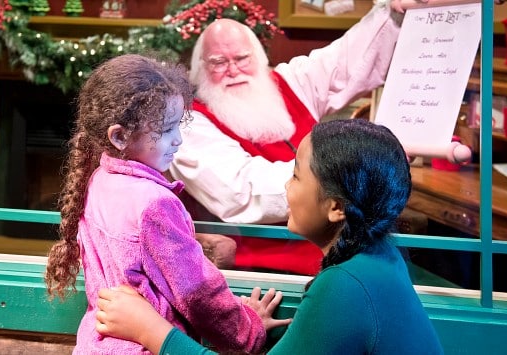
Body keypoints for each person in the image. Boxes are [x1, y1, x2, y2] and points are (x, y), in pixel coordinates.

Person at [95, 119, 444, 354]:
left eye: (296, 176)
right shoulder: (379, 257)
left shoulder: (346, 285)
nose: (286, 186)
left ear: (336, 207)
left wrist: (150, 331)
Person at [44, 54, 290, 354]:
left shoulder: (97, 180)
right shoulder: (156, 204)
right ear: (120, 137)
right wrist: (248, 329)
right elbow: (197, 291)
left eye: (179, 127)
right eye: (166, 130)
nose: (178, 141)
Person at [170, 0, 423, 276]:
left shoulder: (289, 81)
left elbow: (346, 61)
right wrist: (345, 169)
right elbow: (241, 192)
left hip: (344, 253)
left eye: (242, 58)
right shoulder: (189, 123)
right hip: (266, 274)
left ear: (260, 58)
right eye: (218, 62)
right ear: (200, 68)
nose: (233, 71)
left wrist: (392, 13)